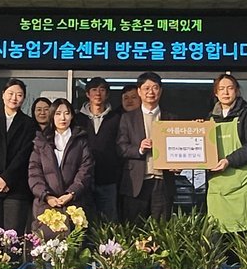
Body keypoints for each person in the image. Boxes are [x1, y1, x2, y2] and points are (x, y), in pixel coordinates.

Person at [206, 73, 247, 233]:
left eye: (230, 88)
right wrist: (198, 130)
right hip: (219, 188)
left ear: (237, 91)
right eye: (221, 89)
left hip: (246, 185)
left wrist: (229, 160)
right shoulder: (210, 117)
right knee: (220, 240)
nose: (226, 92)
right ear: (216, 93)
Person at [0, 78, 38, 233]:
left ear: (24, 98)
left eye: (19, 95)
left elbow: (24, 154)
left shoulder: (29, 124)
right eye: (11, 93)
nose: (14, 98)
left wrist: (6, 178)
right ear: (3, 94)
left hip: (16, 187)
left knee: (13, 236)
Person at [116, 71, 177, 222]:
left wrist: (178, 164)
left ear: (160, 91)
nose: (151, 92)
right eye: (146, 88)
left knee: (161, 228)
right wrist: (139, 149)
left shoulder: (171, 118)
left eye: (155, 88)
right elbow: (120, 147)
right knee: (134, 228)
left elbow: (178, 147)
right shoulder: (127, 118)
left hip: (163, 181)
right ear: (139, 91)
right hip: (137, 182)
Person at [29, 98, 95, 232]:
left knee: (74, 241)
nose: (63, 118)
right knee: (47, 241)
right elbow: (34, 173)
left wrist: (71, 193)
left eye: (67, 113)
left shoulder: (81, 140)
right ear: (52, 116)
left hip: (74, 202)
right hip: (46, 204)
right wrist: (46, 196)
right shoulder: (41, 141)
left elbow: (86, 169)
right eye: (58, 113)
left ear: (72, 116)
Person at [74, 76, 122, 222]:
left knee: (109, 221)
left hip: (108, 178)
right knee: (83, 221)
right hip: (83, 179)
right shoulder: (77, 119)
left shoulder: (116, 118)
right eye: (94, 90)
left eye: (102, 90)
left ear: (107, 94)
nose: (98, 93)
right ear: (87, 94)